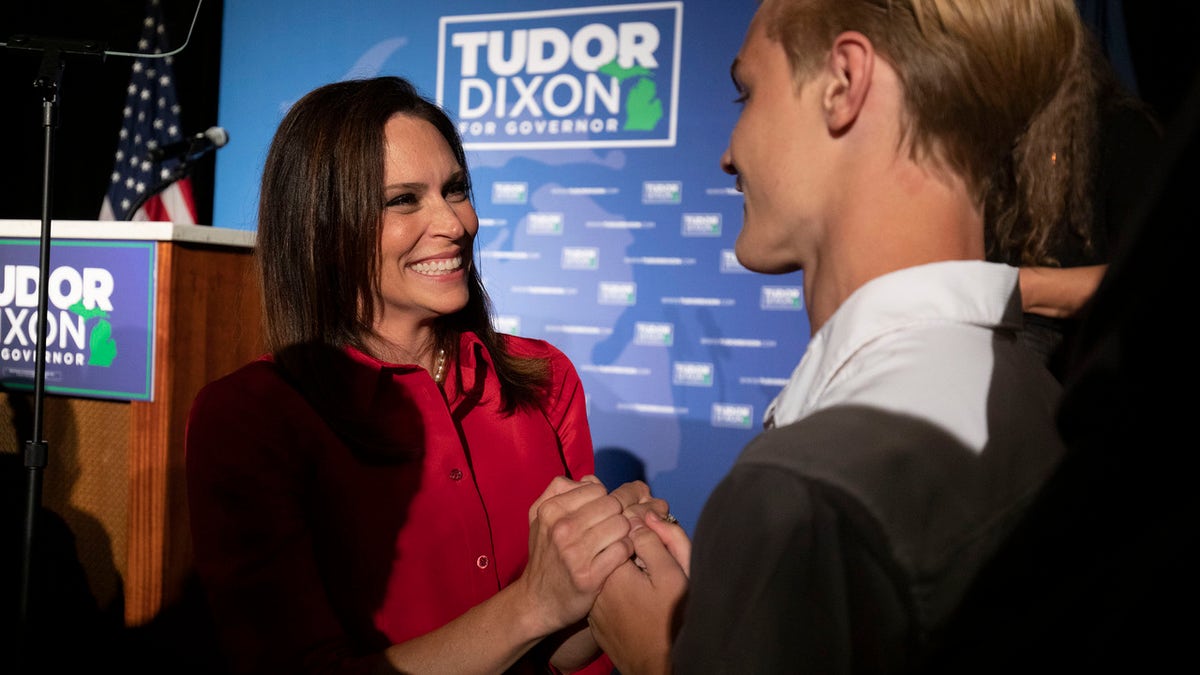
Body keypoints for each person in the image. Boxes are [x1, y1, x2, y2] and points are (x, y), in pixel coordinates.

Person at [586, 1, 1090, 672]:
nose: (728, 153)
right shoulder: (1041, 397)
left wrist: (662, 659)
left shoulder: (809, 493)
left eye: (748, 91)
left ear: (844, 84)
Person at [184, 75, 661, 674]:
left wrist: (609, 567)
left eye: (455, 190)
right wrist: (532, 604)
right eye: (404, 200)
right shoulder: (250, 418)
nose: (456, 223)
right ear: (322, 227)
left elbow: (563, 652)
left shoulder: (544, 378)